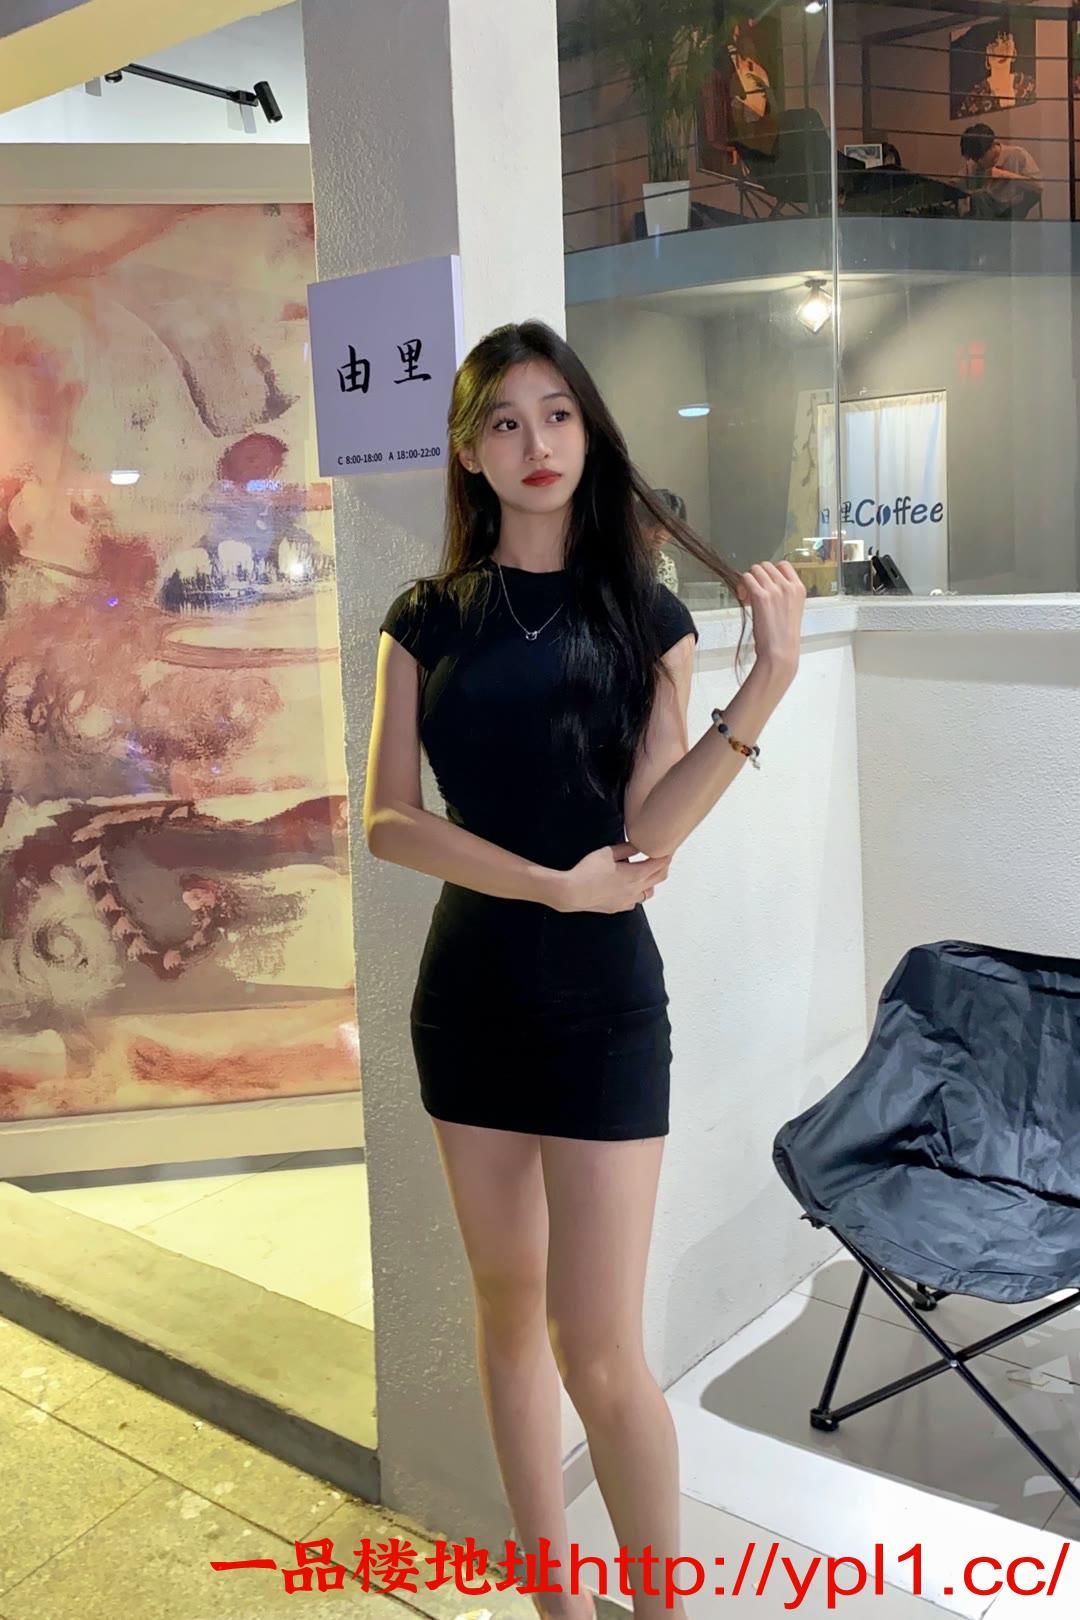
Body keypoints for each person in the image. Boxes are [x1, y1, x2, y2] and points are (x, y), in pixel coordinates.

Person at [366, 319, 805, 1620]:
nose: (536, 442)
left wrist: (767, 683)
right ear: (468, 452)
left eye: (556, 413)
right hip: (470, 1000)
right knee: (508, 1319)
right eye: (503, 421)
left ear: (588, 429)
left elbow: (648, 832)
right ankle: (557, 1606)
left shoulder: (645, 613)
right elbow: (387, 822)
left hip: (605, 1008)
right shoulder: (423, 619)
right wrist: (551, 883)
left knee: (599, 1347)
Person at [959, 124, 1042, 220]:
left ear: (993, 145)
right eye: (974, 159)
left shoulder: (1017, 154)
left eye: (981, 157)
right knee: (977, 198)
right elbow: (957, 185)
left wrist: (1004, 175)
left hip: (1011, 212)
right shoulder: (973, 164)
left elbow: (1038, 186)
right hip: (984, 212)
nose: (979, 162)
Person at [635, 487, 685, 592]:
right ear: (638, 521)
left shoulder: (666, 565)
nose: (661, 535)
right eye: (654, 526)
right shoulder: (614, 557)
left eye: (669, 529)